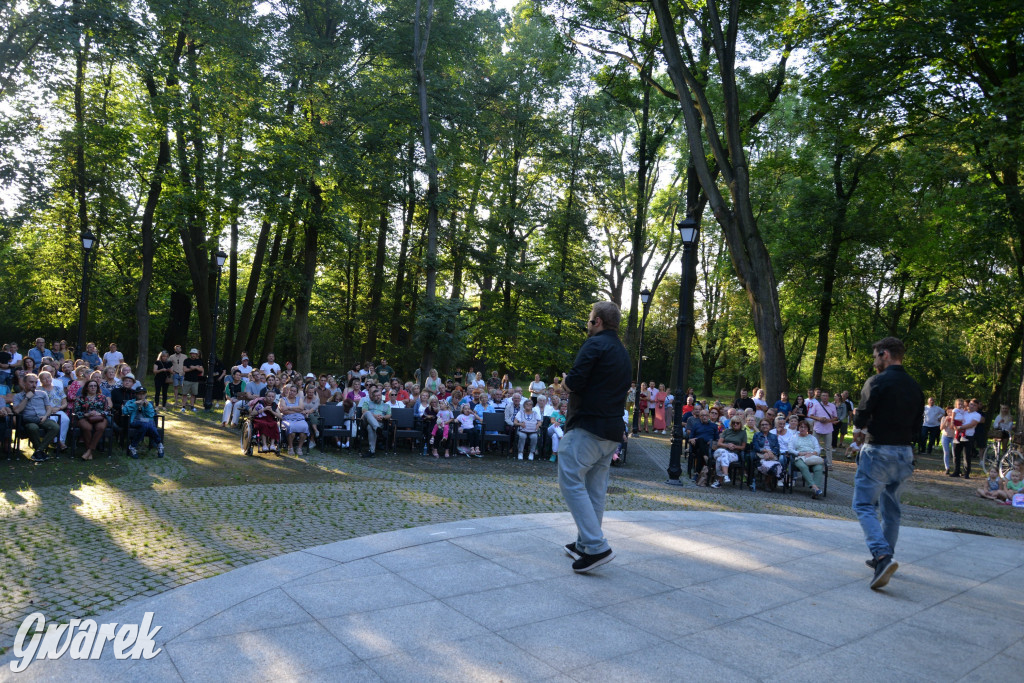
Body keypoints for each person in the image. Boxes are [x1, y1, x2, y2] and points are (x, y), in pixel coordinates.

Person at [558, 301, 631, 574]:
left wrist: (565, 382)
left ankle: (596, 545)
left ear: (597, 321)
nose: (587, 325)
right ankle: (584, 545)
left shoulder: (595, 344)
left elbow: (575, 381)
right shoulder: (623, 352)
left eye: (589, 320)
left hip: (588, 427)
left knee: (570, 479)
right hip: (612, 431)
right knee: (594, 490)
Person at [851, 336, 923, 590]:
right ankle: (885, 555)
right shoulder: (915, 387)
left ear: (884, 354)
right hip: (904, 453)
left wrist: (858, 428)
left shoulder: (877, 381)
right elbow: (917, 425)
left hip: (879, 450)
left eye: (875, 357)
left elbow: (862, 412)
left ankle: (882, 556)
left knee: (862, 503)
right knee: (891, 506)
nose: (874, 362)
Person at [12, 374, 60, 462]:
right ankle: (40, 452)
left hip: (43, 418)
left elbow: (49, 408)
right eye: (31, 382)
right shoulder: (18, 396)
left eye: (35, 382)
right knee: (33, 427)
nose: (34, 385)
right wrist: (26, 398)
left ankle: (38, 451)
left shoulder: (42, 393)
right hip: (28, 420)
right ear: (24, 383)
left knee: (55, 427)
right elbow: (17, 411)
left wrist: (45, 416)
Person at [72, 379, 110, 461]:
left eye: (95, 386)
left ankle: (89, 451)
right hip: (84, 418)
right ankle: (90, 451)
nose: (93, 387)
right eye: (91, 386)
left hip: (99, 418)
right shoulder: (80, 398)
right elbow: (76, 412)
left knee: (100, 427)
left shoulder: (102, 397)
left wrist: (100, 413)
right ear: (86, 388)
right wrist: (86, 414)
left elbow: (107, 410)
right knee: (87, 428)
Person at [123, 387, 164, 458]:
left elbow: (151, 415)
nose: (141, 396)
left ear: (145, 395)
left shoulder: (148, 404)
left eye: (143, 394)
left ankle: (132, 446)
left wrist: (147, 407)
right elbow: (124, 411)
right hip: (135, 421)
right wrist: (135, 404)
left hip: (147, 422)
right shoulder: (131, 402)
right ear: (136, 394)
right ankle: (159, 444)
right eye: (139, 394)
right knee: (148, 424)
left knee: (147, 424)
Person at [807, 390, 838, 469]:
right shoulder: (816, 405)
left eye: (826, 396)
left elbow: (835, 417)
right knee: (815, 446)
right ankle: (815, 463)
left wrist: (828, 420)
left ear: (828, 397)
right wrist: (819, 418)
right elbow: (811, 415)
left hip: (828, 429)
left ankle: (829, 464)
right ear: (821, 397)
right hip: (817, 428)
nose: (825, 397)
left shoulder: (832, 406)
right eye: (823, 396)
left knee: (828, 447)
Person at [952, 398, 982, 478]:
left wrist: (960, 427)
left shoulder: (977, 415)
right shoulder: (963, 412)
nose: (972, 406)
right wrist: (954, 425)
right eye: (971, 404)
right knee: (956, 454)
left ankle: (966, 473)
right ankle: (956, 471)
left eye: (974, 405)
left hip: (968, 436)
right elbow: (955, 418)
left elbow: (972, 424)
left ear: (977, 407)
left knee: (967, 455)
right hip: (958, 435)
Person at [359, 385, 391, 457]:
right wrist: (375, 416)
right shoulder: (367, 403)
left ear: (381, 395)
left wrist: (383, 417)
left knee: (370, 427)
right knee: (367, 412)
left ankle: (372, 451)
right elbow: (364, 411)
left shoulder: (387, 405)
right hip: (366, 421)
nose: (378, 397)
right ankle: (377, 429)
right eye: (376, 396)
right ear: (372, 397)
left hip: (379, 422)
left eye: (379, 395)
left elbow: (389, 415)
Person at [278, 385, 310, 455]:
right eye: (291, 390)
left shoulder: (299, 399)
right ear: (288, 391)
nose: (292, 392)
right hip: (287, 419)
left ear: (296, 393)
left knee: (305, 427)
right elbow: (284, 411)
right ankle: (291, 447)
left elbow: (301, 408)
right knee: (291, 427)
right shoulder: (282, 399)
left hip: (299, 419)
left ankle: (299, 447)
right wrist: (297, 410)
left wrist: (289, 407)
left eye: (294, 391)